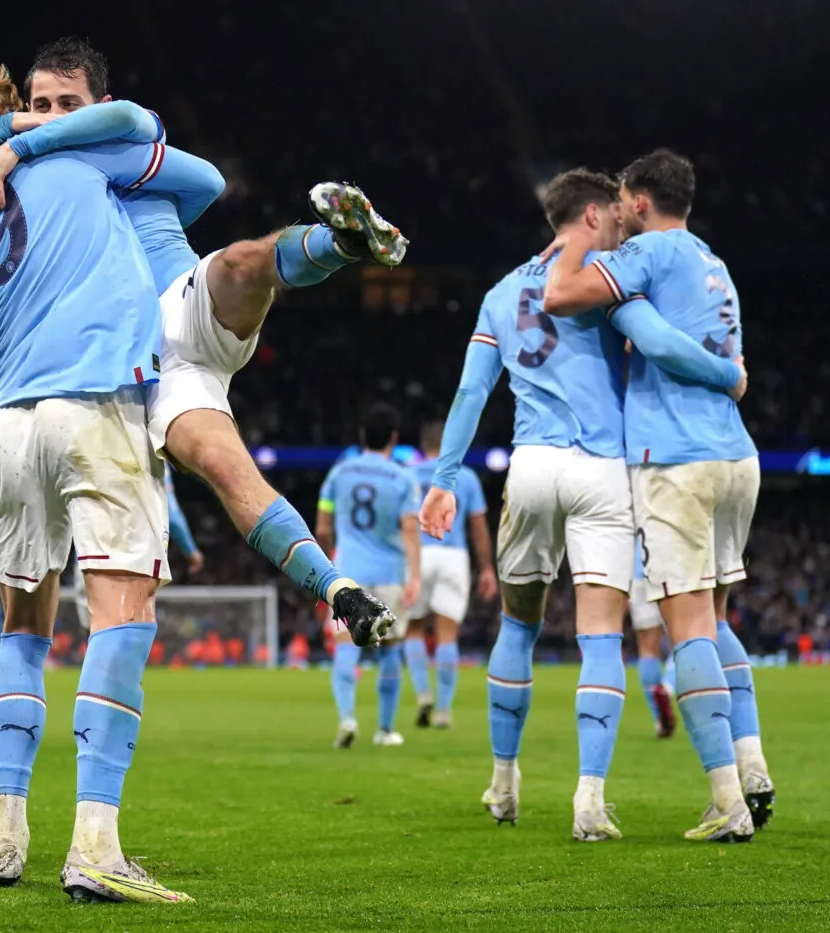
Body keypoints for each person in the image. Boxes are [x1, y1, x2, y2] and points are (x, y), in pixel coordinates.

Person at [0, 36, 407, 650]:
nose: (55, 117)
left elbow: (205, 180)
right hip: (125, 369)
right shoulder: (42, 180)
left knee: (239, 264)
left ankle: (344, 244)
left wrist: (23, 141)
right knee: (227, 469)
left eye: (70, 104)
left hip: (178, 304)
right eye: (42, 104)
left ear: (101, 103)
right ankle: (342, 594)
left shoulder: (102, 153)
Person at [0, 54, 222, 901]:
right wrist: (30, 138)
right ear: (12, 106)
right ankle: (95, 841)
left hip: (12, 418)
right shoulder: (75, 155)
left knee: (23, 623)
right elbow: (154, 141)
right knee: (122, 610)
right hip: (96, 395)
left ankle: (7, 831)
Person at [420, 168, 744, 842]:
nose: (626, 223)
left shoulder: (501, 293)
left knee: (518, 629)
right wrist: (728, 370)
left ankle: (504, 782)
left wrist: (443, 478)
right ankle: (589, 801)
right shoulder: (603, 280)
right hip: (601, 471)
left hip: (531, 465)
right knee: (601, 637)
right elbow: (659, 342)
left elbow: (470, 394)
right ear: (595, 213)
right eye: (617, 215)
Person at [541, 149, 771, 841]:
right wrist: (730, 376)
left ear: (637, 202)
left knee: (688, 626)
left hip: (677, 461)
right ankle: (753, 767)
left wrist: (597, 271)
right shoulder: (713, 263)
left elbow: (562, 293)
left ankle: (728, 802)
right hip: (737, 456)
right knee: (718, 619)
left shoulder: (647, 256)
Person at [315, 403, 422, 748]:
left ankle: (347, 718)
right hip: (390, 574)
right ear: (394, 437)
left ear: (363, 435)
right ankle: (385, 729)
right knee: (390, 648)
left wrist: (324, 567)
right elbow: (409, 530)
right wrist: (415, 576)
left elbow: (322, 525)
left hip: (348, 573)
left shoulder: (340, 473)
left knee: (345, 647)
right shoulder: (404, 477)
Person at [404, 420, 496, 729]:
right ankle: (443, 710)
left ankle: (423, 694)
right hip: (453, 554)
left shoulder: (407, 475)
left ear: (422, 445)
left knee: (413, 629)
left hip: (417, 554)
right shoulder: (465, 476)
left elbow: (399, 523)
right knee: (447, 636)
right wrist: (486, 568)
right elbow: (478, 526)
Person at [71, 463, 204, 631]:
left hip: (88, 557)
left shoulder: (89, 446)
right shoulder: (152, 456)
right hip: (130, 560)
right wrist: (191, 551)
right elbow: (171, 513)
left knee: (93, 631)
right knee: (125, 633)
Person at [629, 540, 676, 738]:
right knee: (683, 641)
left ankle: (660, 720)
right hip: (670, 569)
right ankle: (667, 687)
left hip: (637, 572)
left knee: (648, 649)